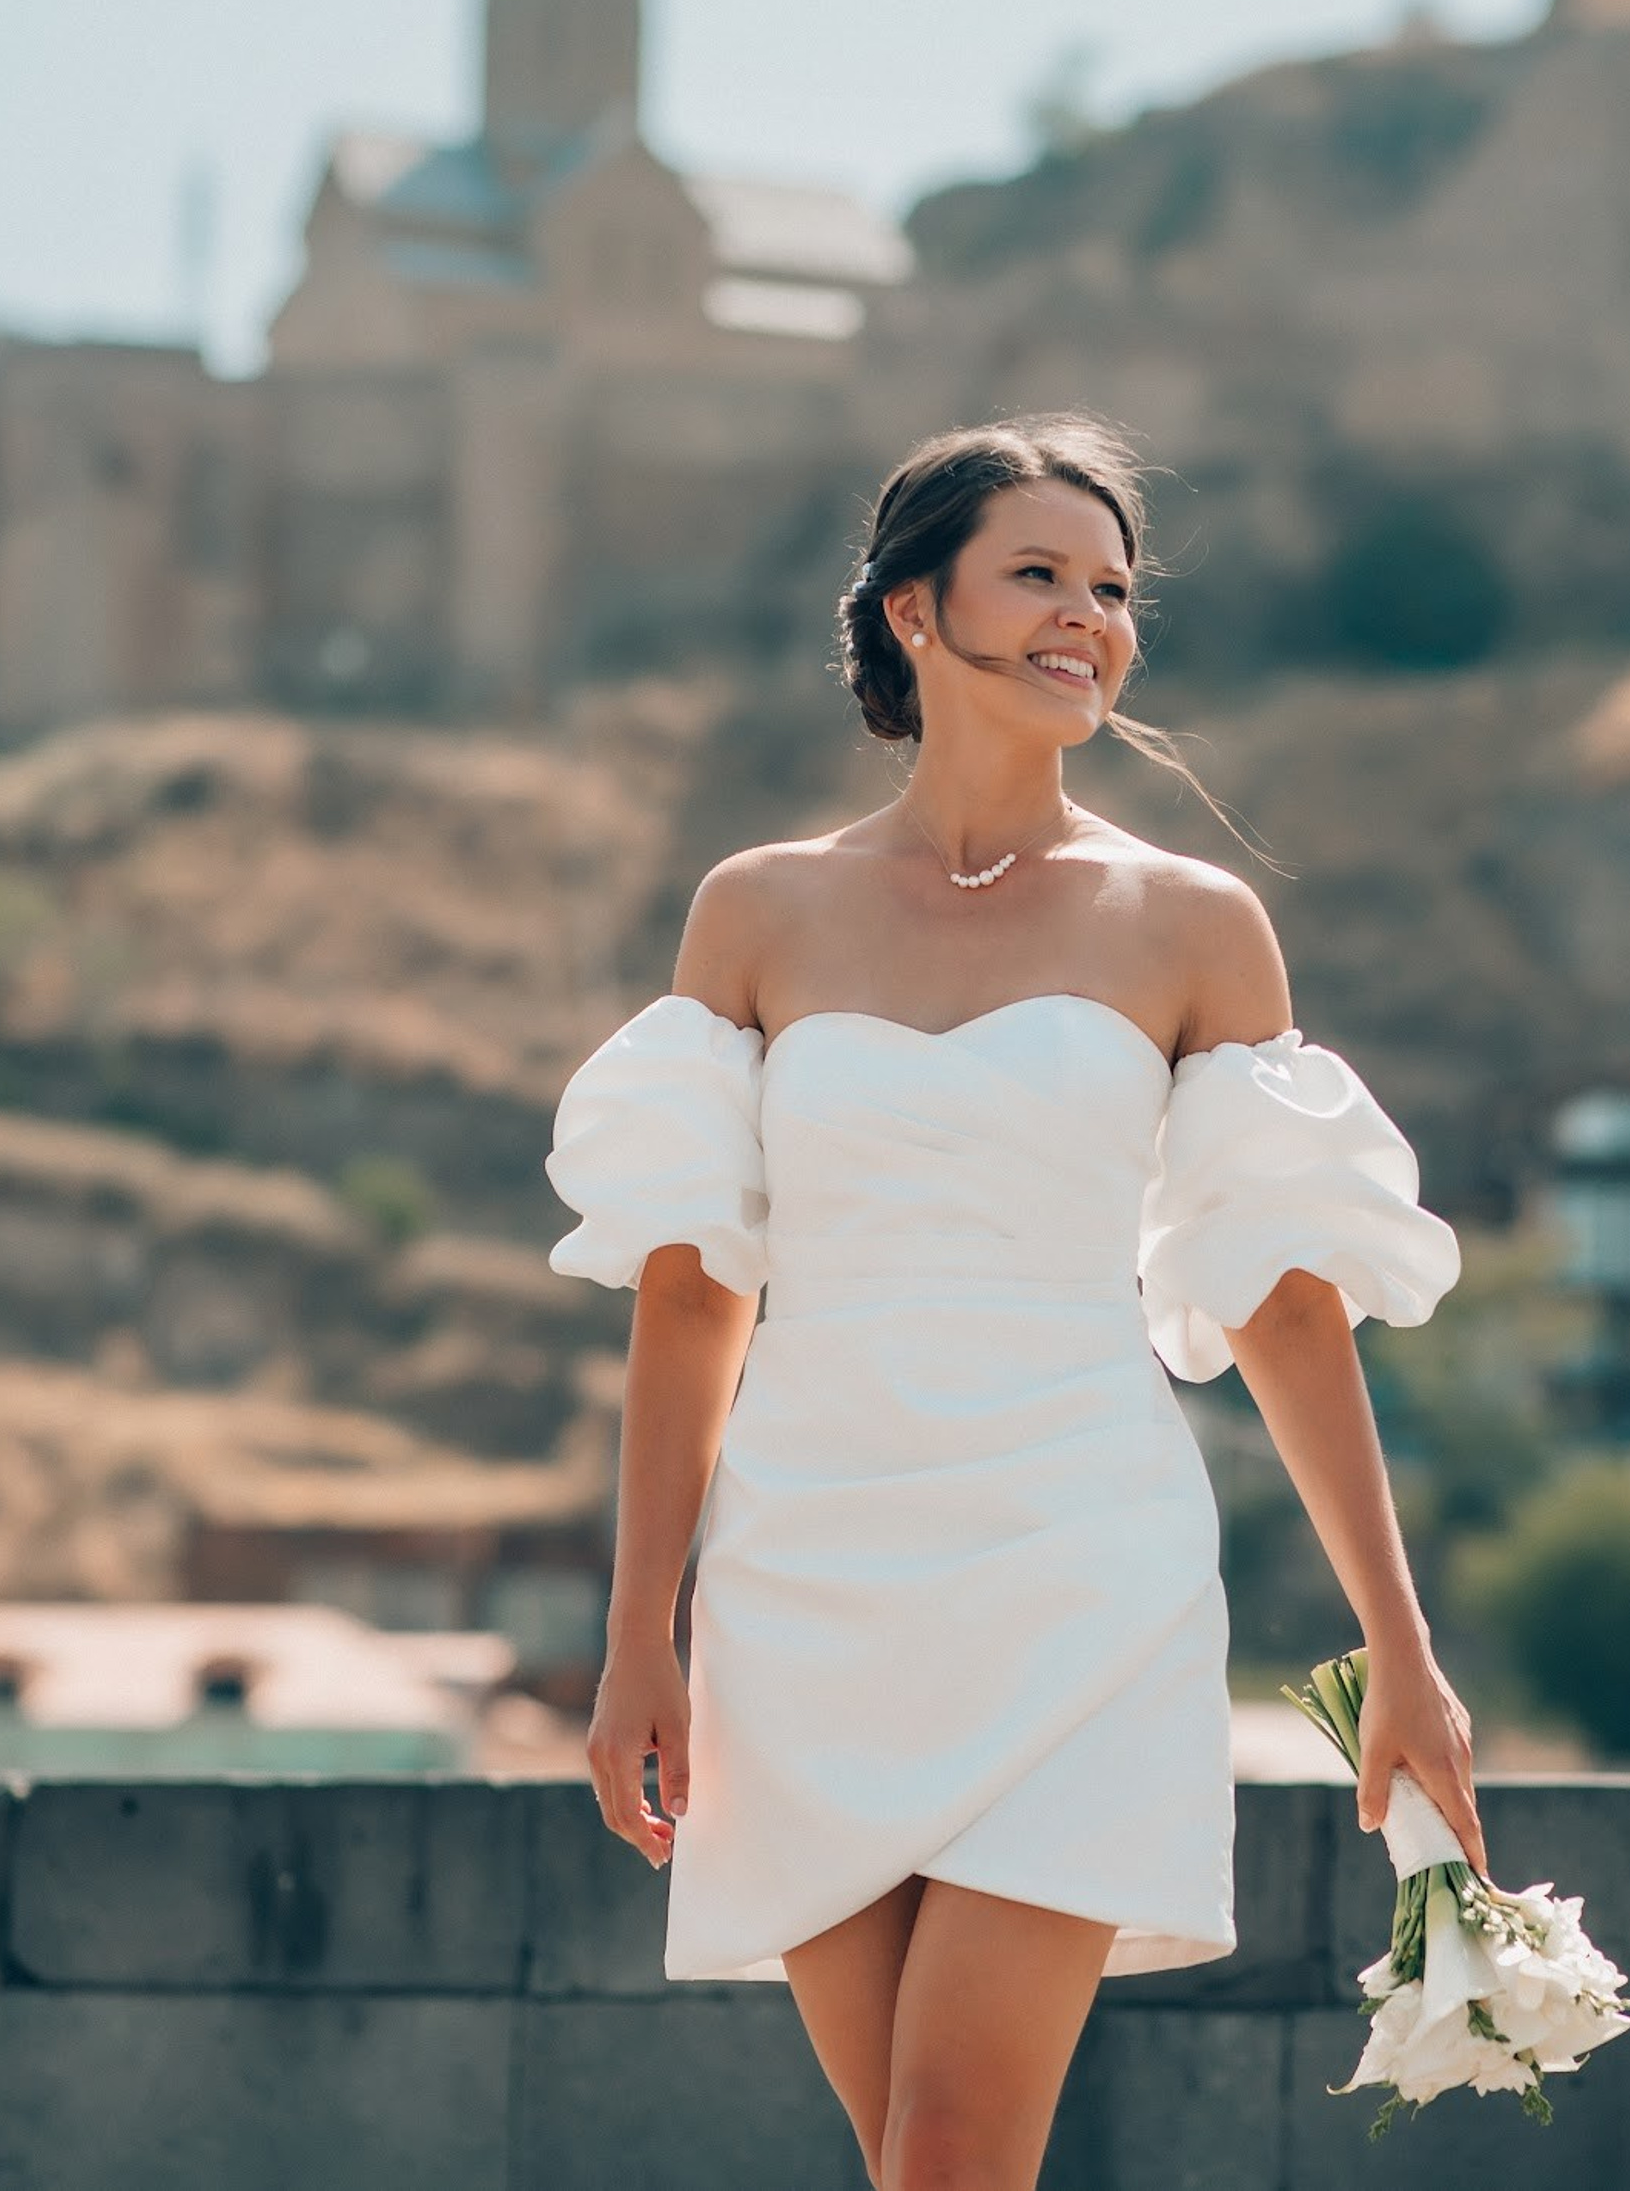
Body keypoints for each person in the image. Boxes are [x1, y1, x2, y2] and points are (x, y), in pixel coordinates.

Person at [546, 413, 1485, 2191]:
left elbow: (1281, 1306)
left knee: (963, 2152)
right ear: (914, 610)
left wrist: (1407, 1656)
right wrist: (638, 1636)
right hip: (807, 1574)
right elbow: (689, 1300)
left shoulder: (1190, 923)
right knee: (908, 2163)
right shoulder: (758, 912)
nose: (1090, 618)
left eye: (1114, 588)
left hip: (1082, 1560)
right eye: (1038, 575)